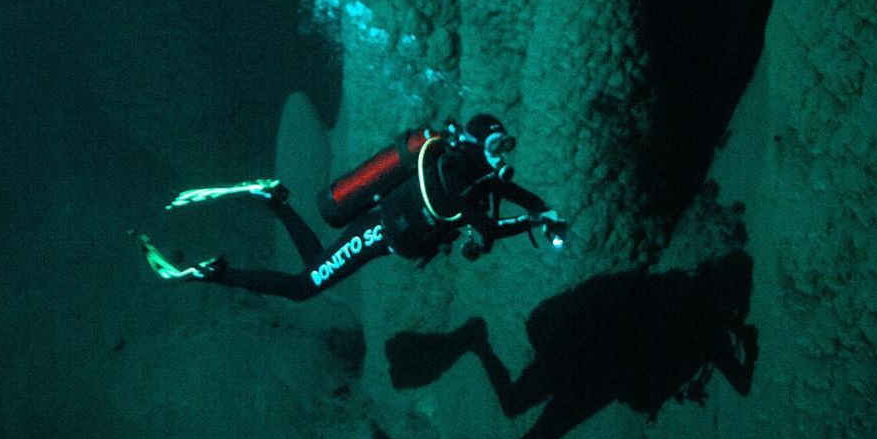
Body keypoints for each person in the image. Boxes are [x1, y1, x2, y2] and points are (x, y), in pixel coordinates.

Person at [138, 115, 568, 301]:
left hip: (384, 231)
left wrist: (542, 209)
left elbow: (510, 193)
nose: (501, 155)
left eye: (505, 147)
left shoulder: (477, 175)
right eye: (495, 147)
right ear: (475, 147)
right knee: (305, 287)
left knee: (316, 266)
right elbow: (488, 229)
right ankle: (216, 273)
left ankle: (275, 202)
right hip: (377, 233)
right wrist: (532, 219)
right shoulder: (453, 176)